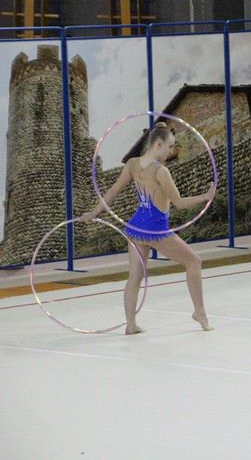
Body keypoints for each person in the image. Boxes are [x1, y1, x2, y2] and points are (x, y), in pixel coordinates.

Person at [80, 122, 216, 334]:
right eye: (170, 146)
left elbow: (113, 191)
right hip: (155, 230)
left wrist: (93, 213)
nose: (172, 151)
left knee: (134, 276)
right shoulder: (161, 172)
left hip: (135, 229)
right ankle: (199, 312)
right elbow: (178, 203)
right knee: (194, 262)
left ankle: (131, 324)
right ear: (158, 144)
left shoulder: (133, 164)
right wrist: (205, 197)